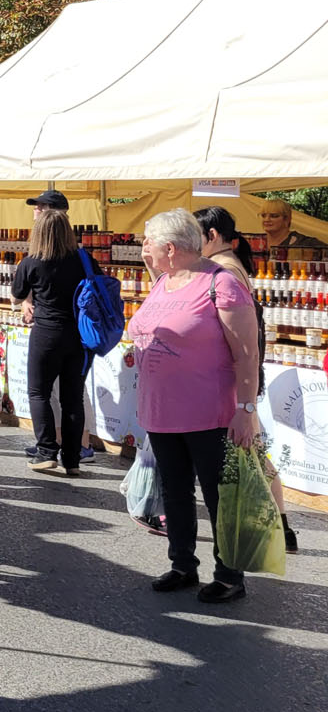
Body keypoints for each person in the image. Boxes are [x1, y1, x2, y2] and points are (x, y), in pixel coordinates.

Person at [128, 208, 260, 602]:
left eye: (148, 241)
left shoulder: (221, 283)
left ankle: (229, 575)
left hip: (208, 411)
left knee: (219, 496)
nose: (143, 248)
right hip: (161, 410)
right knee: (175, 491)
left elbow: (247, 353)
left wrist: (246, 409)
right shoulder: (163, 281)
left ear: (170, 248)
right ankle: (182, 564)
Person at [194, 205, 298, 553]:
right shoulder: (227, 265)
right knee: (250, 449)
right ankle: (280, 526)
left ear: (211, 236)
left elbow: (241, 337)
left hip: (236, 375)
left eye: (195, 235)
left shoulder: (223, 270)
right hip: (240, 373)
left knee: (250, 450)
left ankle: (278, 526)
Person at [12, 209, 94, 476]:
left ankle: (46, 451)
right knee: (73, 397)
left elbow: (17, 293)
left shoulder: (32, 262)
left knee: (39, 393)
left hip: (46, 332)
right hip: (79, 335)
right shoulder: (84, 260)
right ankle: (72, 459)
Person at [258, 198, 325, 252]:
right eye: (263, 216)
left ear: (287, 219)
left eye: (274, 216)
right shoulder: (256, 242)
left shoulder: (304, 243)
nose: (266, 219)